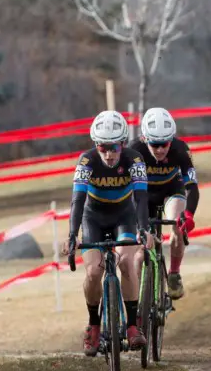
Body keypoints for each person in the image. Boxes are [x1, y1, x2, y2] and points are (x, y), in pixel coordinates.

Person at [61, 110, 154, 357]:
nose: (109, 154)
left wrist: (144, 230)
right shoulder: (86, 162)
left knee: (127, 263)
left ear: (123, 143)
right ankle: (93, 324)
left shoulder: (134, 161)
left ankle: (133, 326)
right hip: (93, 219)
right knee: (93, 272)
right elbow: (77, 201)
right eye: (103, 148)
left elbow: (141, 199)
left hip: (124, 217)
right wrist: (72, 235)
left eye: (114, 148)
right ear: (96, 145)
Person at [130, 107, 199, 301]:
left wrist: (189, 215)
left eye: (165, 144)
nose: (160, 149)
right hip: (143, 195)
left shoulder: (181, 150)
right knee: (139, 248)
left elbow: (192, 187)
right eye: (155, 144)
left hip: (171, 191)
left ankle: (174, 273)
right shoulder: (134, 150)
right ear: (145, 139)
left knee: (176, 224)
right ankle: (134, 300)